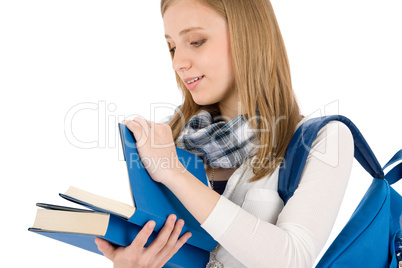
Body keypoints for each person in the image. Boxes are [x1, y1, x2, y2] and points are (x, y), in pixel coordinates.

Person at [95, 0, 354, 267]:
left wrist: (175, 174)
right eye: (172, 47)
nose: (178, 63)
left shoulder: (324, 139)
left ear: (250, 37)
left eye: (195, 41)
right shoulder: (167, 139)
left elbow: (292, 258)